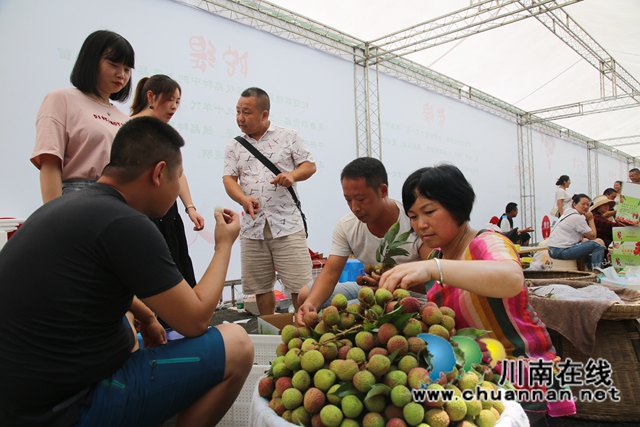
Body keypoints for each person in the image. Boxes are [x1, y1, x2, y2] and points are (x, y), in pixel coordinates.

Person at [0, 117, 254, 427]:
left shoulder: (69, 206)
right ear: (159, 173)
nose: (178, 190)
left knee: (125, 326)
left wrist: (146, 316)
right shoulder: (128, 224)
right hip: (63, 410)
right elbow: (196, 320)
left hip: (17, 402)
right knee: (237, 344)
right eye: (179, 178)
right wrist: (223, 245)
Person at [376, 164, 573, 420]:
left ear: (457, 206)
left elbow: (511, 278)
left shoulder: (487, 241)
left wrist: (434, 268)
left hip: (520, 376)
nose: (420, 224)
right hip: (475, 379)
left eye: (429, 211)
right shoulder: (439, 256)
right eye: (413, 216)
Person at [296, 157, 431, 325]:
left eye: (361, 199)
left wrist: (392, 280)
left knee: (348, 315)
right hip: (372, 290)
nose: (355, 208)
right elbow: (330, 273)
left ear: (382, 191)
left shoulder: (414, 221)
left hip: (410, 298)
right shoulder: (347, 226)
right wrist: (311, 305)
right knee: (305, 295)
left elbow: (435, 280)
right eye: (348, 200)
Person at [223, 87, 316, 315]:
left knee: (299, 286)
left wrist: (292, 176)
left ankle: (305, 333)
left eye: (246, 112)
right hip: (252, 227)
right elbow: (229, 179)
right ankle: (269, 330)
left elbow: (309, 166)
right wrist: (243, 199)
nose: (240, 118)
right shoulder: (233, 146)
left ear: (264, 115)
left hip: (287, 224)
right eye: (237, 112)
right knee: (261, 287)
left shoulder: (288, 136)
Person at [30, 30, 134, 203]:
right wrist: (54, 218)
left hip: (119, 202)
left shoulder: (126, 120)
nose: (121, 75)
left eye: (127, 69)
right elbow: (50, 163)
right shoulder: (61, 99)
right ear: (91, 61)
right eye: (114, 64)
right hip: (77, 199)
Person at [130, 75, 204, 292]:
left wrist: (190, 208)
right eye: (170, 99)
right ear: (151, 97)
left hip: (169, 214)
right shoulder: (130, 129)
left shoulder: (167, 133)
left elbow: (178, 173)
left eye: (178, 101)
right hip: (142, 213)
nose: (174, 107)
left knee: (176, 272)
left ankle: (178, 324)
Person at [546, 194, 605, 270]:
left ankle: (589, 269)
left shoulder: (568, 213)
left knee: (587, 243)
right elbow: (593, 236)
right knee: (598, 245)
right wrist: (590, 219)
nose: (586, 207)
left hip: (553, 250)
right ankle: (597, 271)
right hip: (561, 251)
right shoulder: (577, 217)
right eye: (583, 204)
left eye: (588, 205)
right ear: (574, 204)